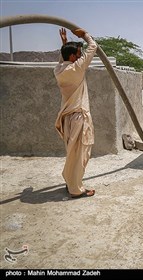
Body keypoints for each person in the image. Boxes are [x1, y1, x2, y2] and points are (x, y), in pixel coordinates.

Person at [54, 28, 97, 199]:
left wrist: (65, 44)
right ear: (72, 57)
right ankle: (76, 189)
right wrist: (85, 35)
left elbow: (63, 60)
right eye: (78, 53)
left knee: (72, 152)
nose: (80, 56)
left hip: (67, 119)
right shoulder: (77, 68)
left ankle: (70, 181)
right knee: (81, 153)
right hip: (79, 117)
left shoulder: (58, 70)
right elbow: (93, 46)